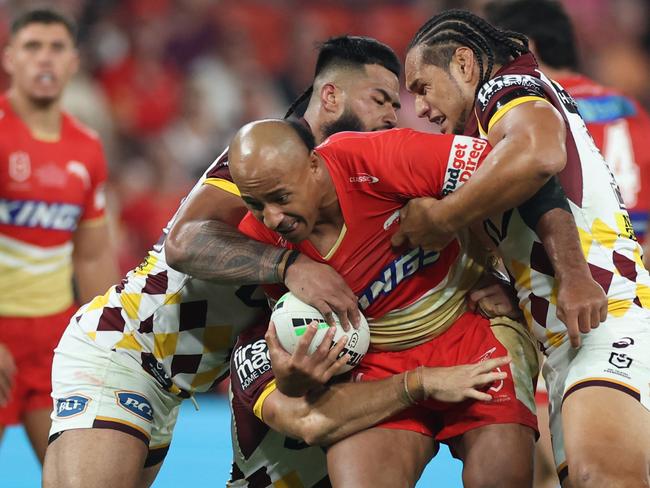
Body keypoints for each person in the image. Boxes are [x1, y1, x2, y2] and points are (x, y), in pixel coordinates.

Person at [43, 35, 469, 488]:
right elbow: (185, 242)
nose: (390, 115)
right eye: (380, 99)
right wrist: (290, 267)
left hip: (205, 374)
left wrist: (472, 278)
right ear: (331, 96)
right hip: (127, 348)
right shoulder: (265, 157)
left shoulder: (360, 185)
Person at [398, 10, 650, 487]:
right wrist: (503, 286)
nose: (420, 106)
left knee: (604, 478)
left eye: (423, 87)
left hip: (606, 316)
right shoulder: (487, 135)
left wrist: (442, 219)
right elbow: (543, 194)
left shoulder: (506, 88)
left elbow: (541, 157)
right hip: (567, 339)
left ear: (465, 64)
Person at [231, 119, 540, 488]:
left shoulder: (377, 158)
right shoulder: (257, 241)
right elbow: (300, 402)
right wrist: (293, 381)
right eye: (255, 205)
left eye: (281, 198)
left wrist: (515, 278)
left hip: (470, 327)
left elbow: (520, 166)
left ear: (314, 164)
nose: (272, 219)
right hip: (375, 365)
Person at [484, 2, 650, 485]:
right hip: (630, 305)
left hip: (570, 319)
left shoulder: (525, 114)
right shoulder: (629, 110)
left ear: (521, 50)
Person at [0, 8, 117, 464]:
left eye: (56, 48)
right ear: (9, 59)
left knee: (72, 472)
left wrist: (110, 343)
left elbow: (91, 255)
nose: (44, 59)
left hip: (54, 340)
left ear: (74, 61)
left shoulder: (86, 147)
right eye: (32, 47)